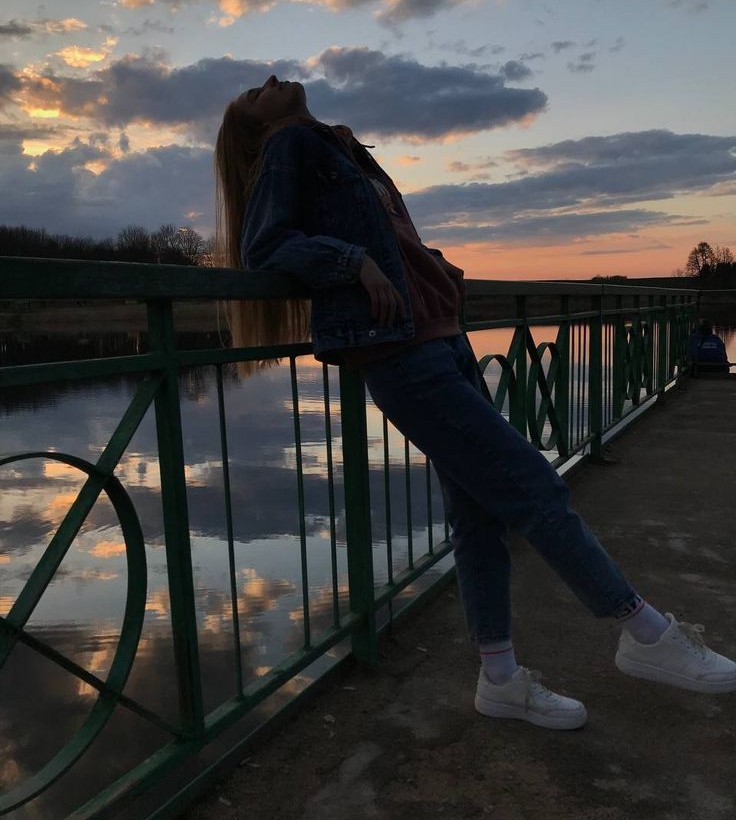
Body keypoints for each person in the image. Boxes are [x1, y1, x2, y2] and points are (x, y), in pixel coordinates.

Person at [214, 74, 736, 731]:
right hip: (401, 354)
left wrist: (431, 265)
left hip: (441, 338)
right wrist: (350, 262)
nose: (268, 80)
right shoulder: (290, 146)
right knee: (534, 486)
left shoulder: (341, 147)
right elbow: (266, 245)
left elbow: (388, 238)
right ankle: (645, 632)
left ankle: (500, 678)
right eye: (255, 95)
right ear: (258, 128)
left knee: (479, 514)